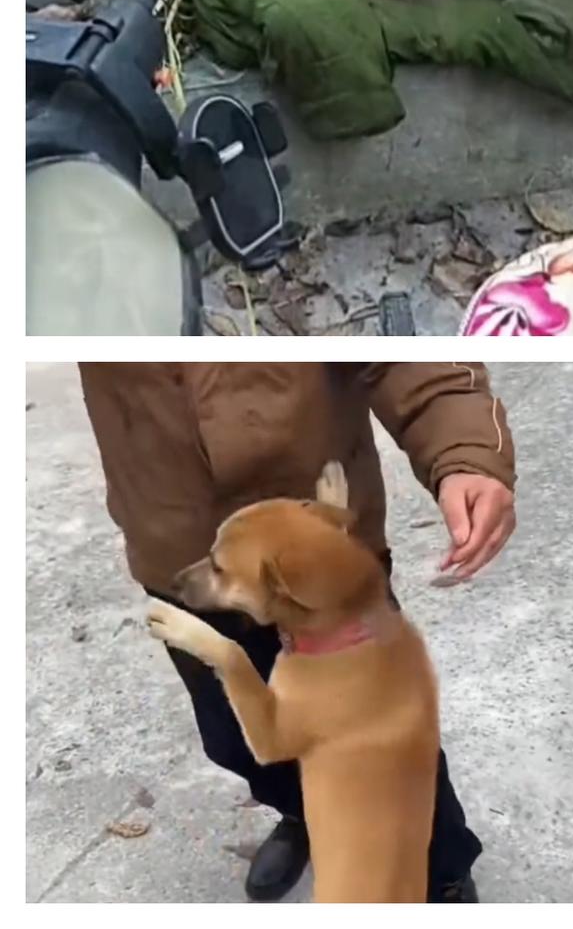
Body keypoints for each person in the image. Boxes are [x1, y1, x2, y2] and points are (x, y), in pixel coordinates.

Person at [78, 362, 517, 903]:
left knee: (389, 753)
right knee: (234, 740)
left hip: (316, 555)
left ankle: (441, 874)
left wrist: (464, 444)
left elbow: (405, 350)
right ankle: (303, 810)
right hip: (173, 526)